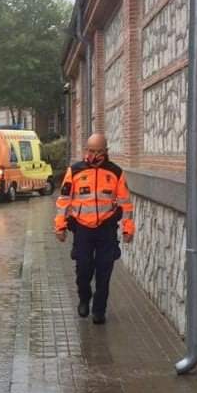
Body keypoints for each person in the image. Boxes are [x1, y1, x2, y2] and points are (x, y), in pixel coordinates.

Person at [54, 133, 134, 324]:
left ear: (106, 151)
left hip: (106, 229)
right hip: (82, 229)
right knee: (84, 270)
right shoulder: (74, 172)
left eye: (99, 151)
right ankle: (84, 297)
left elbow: (126, 204)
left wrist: (127, 228)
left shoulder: (115, 173)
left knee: (104, 272)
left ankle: (99, 310)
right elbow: (64, 201)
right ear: (85, 150)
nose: (94, 155)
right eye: (91, 151)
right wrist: (60, 226)